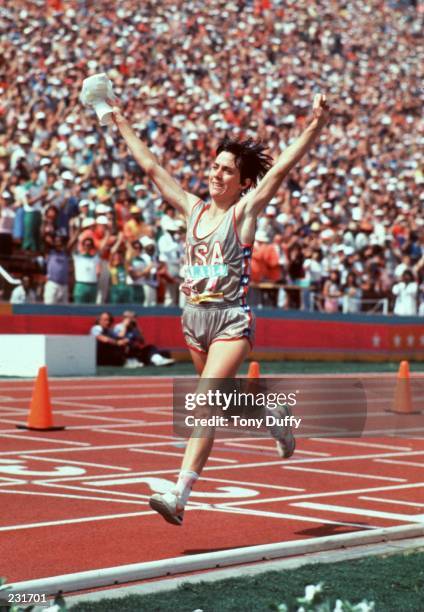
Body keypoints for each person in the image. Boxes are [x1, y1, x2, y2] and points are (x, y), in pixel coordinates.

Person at [112, 92, 330, 525]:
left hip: (230, 318)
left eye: (227, 170)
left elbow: (281, 169)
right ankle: (271, 413)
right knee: (223, 403)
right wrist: (117, 117)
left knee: (202, 403)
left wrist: (314, 126)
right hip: (193, 319)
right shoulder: (193, 209)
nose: (216, 174)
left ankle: (179, 494)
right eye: (214, 166)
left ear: (243, 182)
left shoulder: (245, 213)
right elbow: (153, 167)